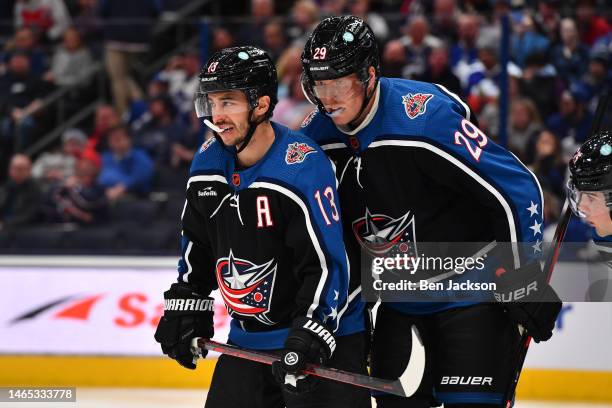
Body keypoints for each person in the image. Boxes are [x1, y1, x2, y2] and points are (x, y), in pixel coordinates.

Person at [299, 16, 561, 408]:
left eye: (338, 83)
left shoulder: (423, 122)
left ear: (369, 76)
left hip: (472, 296)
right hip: (398, 303)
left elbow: (518, 187)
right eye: (318, 84)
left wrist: (524, 268)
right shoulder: (316, 137)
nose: (327, 98)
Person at [153, 46, 370, 408]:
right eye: (211, 103)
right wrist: (188, 299)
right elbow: (198, 244)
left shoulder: (301, 166)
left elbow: (327, 263)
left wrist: (311, 332)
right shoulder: (207, 163)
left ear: (262, 105)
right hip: (248, 343)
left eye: (228, 102)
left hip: (320, 339)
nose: (217, 116)